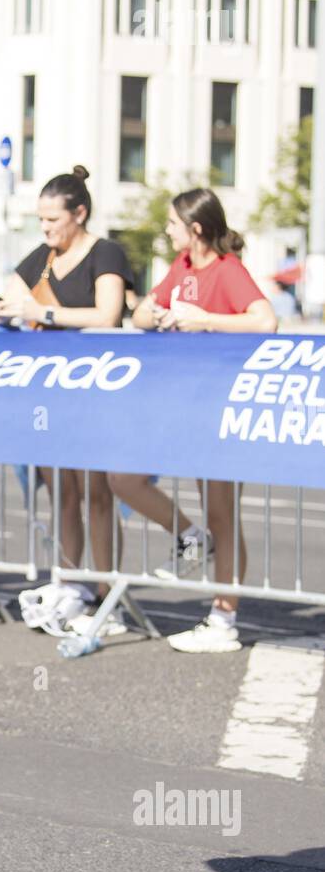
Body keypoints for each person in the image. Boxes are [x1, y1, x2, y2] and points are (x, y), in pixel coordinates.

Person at [112, 188, 277, 653]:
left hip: (219, 405)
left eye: (172, 224)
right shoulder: (182, 267)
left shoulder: (228, 270)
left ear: (196, 229)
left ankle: (224, 618)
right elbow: (142, 312)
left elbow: (265, 321)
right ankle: (188, 533)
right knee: (123, 478)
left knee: (223, 513)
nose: (167, 231)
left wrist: (206, 319)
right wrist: (158, 313)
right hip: (176, 404)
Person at [0, 166, 135, 635]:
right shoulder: (43, 256)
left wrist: (43, 311)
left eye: (53, 220)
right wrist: (4, 310)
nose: (46, 229)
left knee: (97, 495)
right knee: (63, 494)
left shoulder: (105, 252)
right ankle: (71, 583)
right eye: (41, 221)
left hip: (94, 393)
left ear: (80, 213)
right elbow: (14, 297)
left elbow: (108, 315)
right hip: (48, 396)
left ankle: (106, 591)